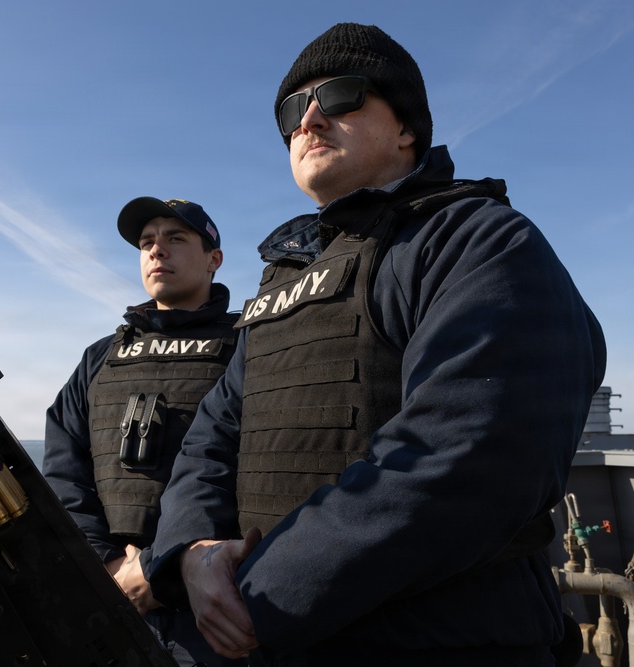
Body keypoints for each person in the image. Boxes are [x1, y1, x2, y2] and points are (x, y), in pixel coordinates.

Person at [148, 23, 606, 666]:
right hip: (269, 640)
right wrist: (191, 553)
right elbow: (214, 436)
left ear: (406, 129)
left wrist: (256, 595)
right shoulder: (285, 284)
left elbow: (471, 455)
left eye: (338, 96)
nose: (308, 118)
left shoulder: (478, 243)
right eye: (290, 110)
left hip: (437, 643)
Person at [43, 197, 245, 666]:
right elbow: (63, 471)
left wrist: (164, 570)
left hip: (213, 604)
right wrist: (108, 567)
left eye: (176, 238)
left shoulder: (251, 343)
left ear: (214, 258)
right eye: (147, 242)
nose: (157, 251)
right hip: (112, 599)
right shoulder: (100, 357)